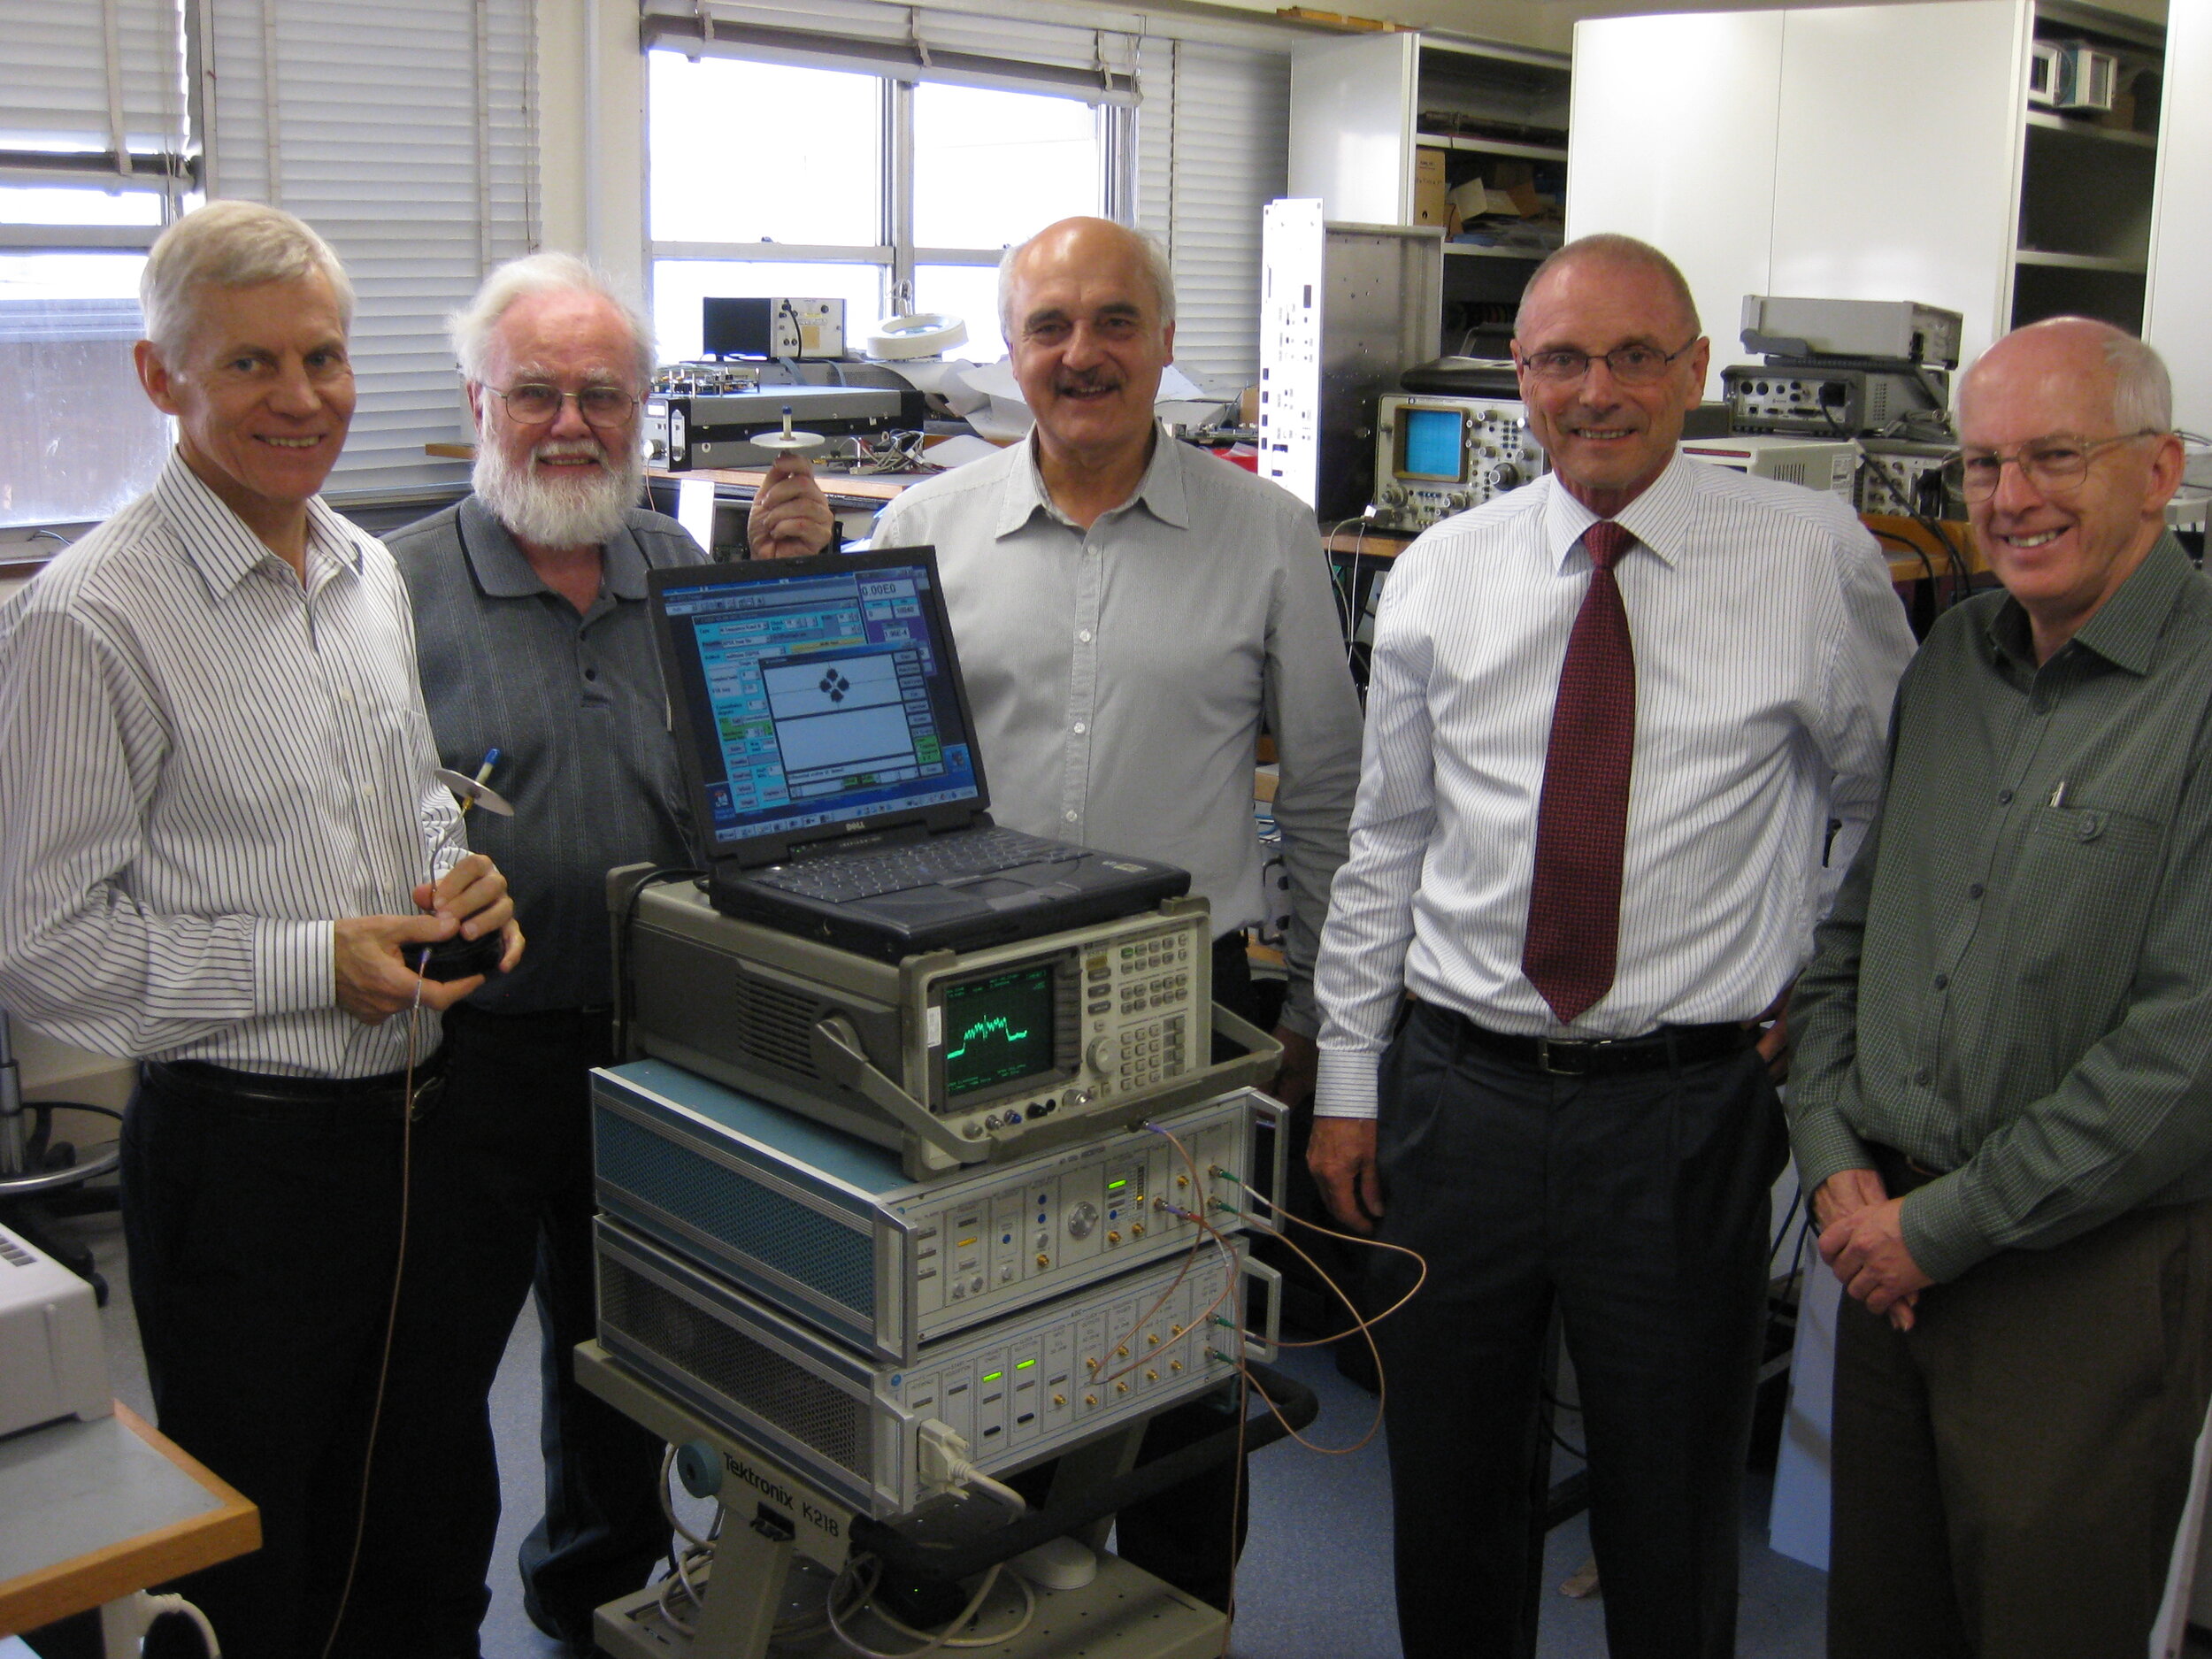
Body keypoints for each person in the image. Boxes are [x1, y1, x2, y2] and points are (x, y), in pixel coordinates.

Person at [1307, 233, 1915, 1659]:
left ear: (1696, 370)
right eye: (1564, 359)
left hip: (1685, 1110)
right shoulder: (1441, 572)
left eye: (1638, 354)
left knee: (1670, 1493)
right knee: (1449, 1485)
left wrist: (1815, 988)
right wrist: (1347, 1080)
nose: (1601, 390)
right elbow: (1385, 841)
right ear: (1518, 378)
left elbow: (1890, 816)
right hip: (1461, 1098)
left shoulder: (1814, 559)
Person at [0, 200, 521, 1659]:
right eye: (250, 367)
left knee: (429, 1520)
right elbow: (45, 950)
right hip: (246, 1171)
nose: (302, 400)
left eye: (325, 357)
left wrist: (451, 876)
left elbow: (409, 794)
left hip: (422, 1130)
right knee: (263, 1558)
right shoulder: (87, 617)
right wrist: (314, 960)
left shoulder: (367, 572)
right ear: (161, 377)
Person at [862, 216, 1366, 1607]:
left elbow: (1327, 795)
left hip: (1192, 996)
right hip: (970, 1002)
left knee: (1184, 1347)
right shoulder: (918, 534)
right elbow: (872, 800)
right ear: (1009, 355)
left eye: (1114, 322)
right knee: (973, 1338)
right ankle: (981, 1617)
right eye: (1049, 327)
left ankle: (1184, 1624)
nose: (1082, 354)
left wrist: (1319, 1011)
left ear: (1162, 339)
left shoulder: (1263, 534)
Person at [386, 251, 833, 1650]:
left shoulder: (678, 565)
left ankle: (596, 1592)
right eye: (537, 394)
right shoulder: (388, 592)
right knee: (434, 1370)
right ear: (479, 402)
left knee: (626, 1348)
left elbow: (754, 775)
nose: (570, 423)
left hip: (659, 1039)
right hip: (465, 1053)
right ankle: (424, 1619)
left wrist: (792, 594)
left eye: (601, 394)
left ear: (644, 410)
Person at [1786, 317, 2212, 1658]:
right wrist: (1833, 1156)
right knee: (1883, 1623)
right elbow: (1849, 938)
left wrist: (1941, 1227)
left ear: (2161, 468)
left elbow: (2182, 1061)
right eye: (1981, 465)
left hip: (2080, 1283)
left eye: (2055, 456)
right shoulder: (1955, 662)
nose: (2012, 498)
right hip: (1891, 1250)